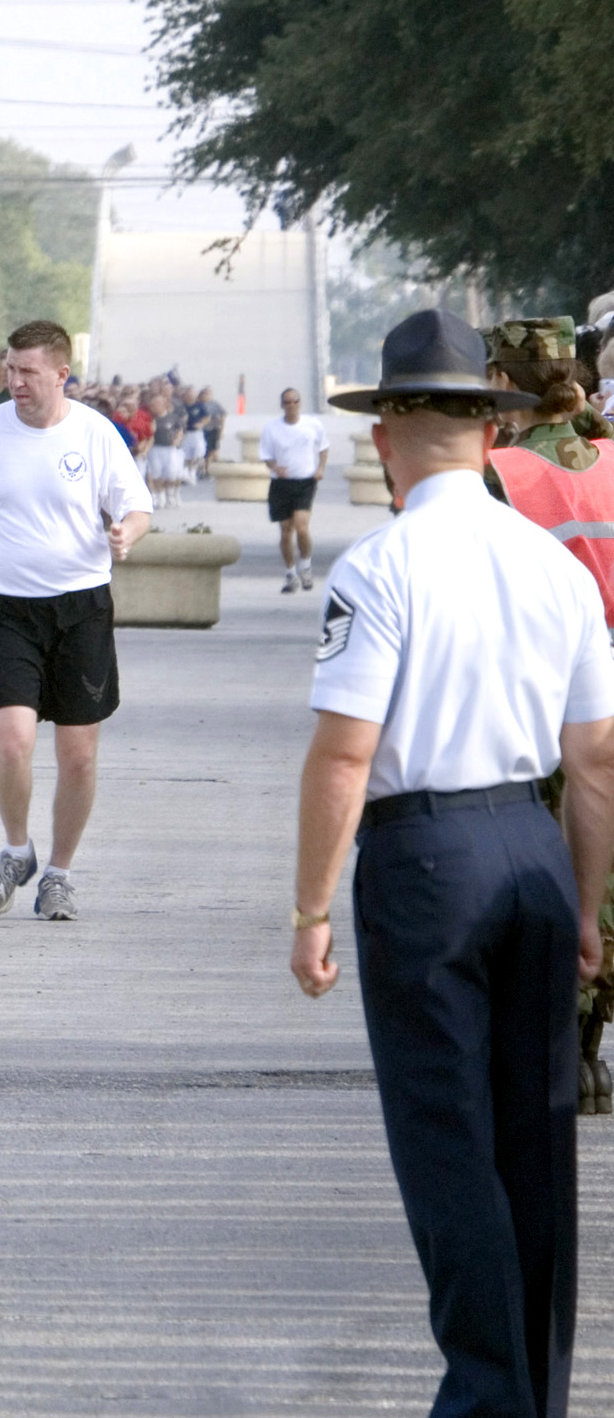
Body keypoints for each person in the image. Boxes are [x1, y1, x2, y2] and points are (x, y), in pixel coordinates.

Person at [290, 310, 611, 1418]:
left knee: (447, 1139)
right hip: (531, 843)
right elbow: (599, 759)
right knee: (537, 1139)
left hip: (425, 855)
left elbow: (344, 751)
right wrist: (585, 902)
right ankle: (536, 1387)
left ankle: (485, 1394)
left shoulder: (378, 566)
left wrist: (310, 906)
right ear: (489, 432)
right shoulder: (555, 565)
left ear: (387, 433)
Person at [0, 320, 154, 925]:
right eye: (10, 369)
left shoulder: (94, 432)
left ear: (61, 374)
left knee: (78, 755)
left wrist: (124, 533)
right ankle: (15, 849)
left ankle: (58, 872)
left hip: (80, 605)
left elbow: (137, 506)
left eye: (28, 371)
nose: (15, 382)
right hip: (4, 606)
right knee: (12, 740)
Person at [259, 388, 329, 592]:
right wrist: (275, 468)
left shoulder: (313, 424)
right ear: (282, 405)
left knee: (301, 526)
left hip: (305, 481)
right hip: (281, 483)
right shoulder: (272, 428)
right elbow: (266, 455)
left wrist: (321, 468)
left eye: (294, 402)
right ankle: (290, 573)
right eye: (287, 402)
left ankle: (305, 566)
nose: (291, 406)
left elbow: (324, 447)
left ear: (300, 403)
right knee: (285, 530)